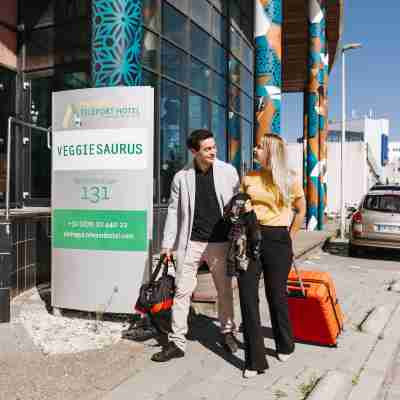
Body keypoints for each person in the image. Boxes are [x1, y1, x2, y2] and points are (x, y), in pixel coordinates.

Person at [151, 129, 240, 362]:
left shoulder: (229, 172)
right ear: (194, 151)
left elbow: (238, 204)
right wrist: (167, 244)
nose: (213, 151)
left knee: (224, 291)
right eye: (207, 149)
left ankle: (228, 332)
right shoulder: (181, 177)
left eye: (214, 147)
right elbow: (173, 211)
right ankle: (177, 342)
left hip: (220, 242)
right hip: (190, 242)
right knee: (182, 291)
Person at [237, 133, 306, 378]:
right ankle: (255, 360)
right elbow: (239, 205)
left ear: (270, 152)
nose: (254, 150)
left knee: (276, 295)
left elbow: (301, 210)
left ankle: (285, 343)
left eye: (259, 147)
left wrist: (290, 237)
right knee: (247, 295)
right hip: (250, 238)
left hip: (278, 240)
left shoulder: (289, 178)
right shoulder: (248, 178)